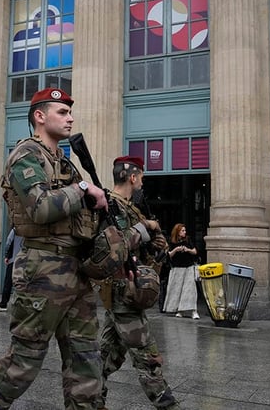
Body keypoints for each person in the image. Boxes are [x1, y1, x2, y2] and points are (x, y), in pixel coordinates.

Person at [0, 88, 109, 410]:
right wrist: (83, 189)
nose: (70, 118)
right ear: (40, 116)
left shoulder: (63, 161)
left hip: (75, 268)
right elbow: (41, 209)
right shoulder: (26, 155)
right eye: (62, 112)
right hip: (43, 267)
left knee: (86, 360)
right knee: (24, 360)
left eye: (69, 113)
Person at [97, 155, 179, 409]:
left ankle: (90, 397)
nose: (142, 183)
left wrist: (157, 248)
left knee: (108, 353)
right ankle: (168, 404)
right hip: (124, 290)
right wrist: (144, 228)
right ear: (132, 177)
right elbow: (113, 246)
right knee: (147, 356)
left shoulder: (131, 207)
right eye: (141, 177)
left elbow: (142, 251)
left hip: (128, 289)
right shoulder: (108, 206)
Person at [163, 223, 200, 319]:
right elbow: (169, 255)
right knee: (177, 289)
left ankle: (193, 311)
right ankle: (179, 310)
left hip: (188, 267)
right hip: (177, 268)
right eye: (182, 230)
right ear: (178, 232)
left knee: (190, 290)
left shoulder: (188, 240)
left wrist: (187, 250)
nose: (184, 232)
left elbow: (195, 251)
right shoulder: (172, 242)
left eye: (185, 230)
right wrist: (176, 249)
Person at [0, 227, 21, 312]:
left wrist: (7, 255)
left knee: (8, 283)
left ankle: (3, 304)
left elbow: (9, 241)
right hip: (26, 260)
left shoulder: (16, 229)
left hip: (14, 259)